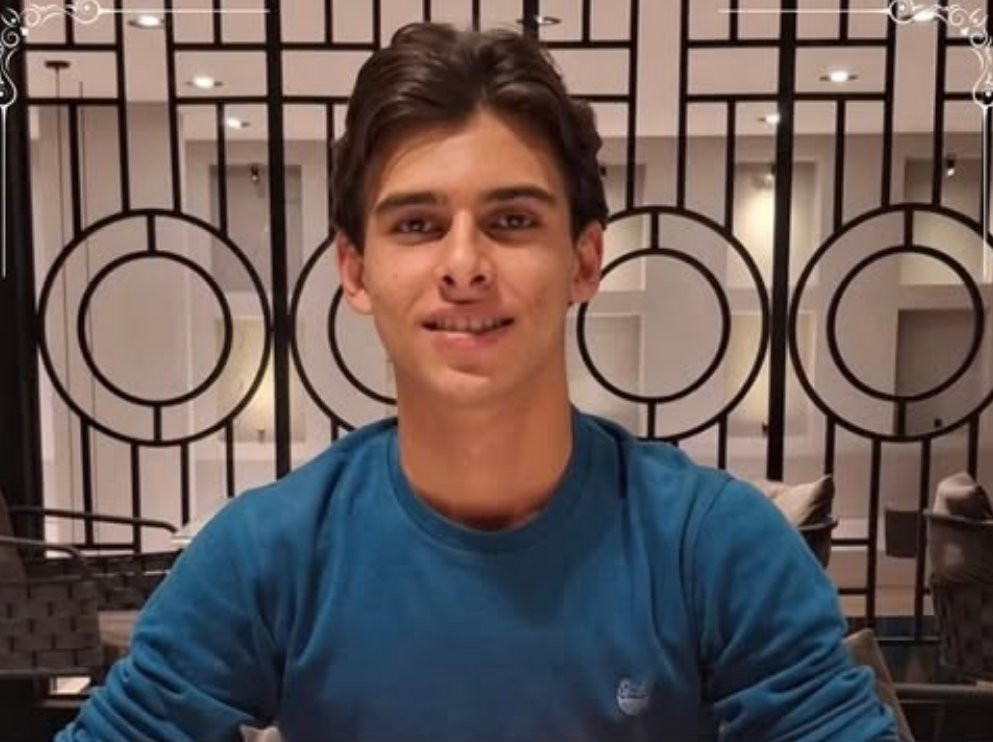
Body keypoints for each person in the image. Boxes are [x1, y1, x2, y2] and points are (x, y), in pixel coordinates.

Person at [58, 22, 898, 742]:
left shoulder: (713, 548)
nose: (463, 265)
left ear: (584, 259)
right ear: (355, 270)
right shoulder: (271, 555)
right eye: (417, 224)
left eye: (512, 220)